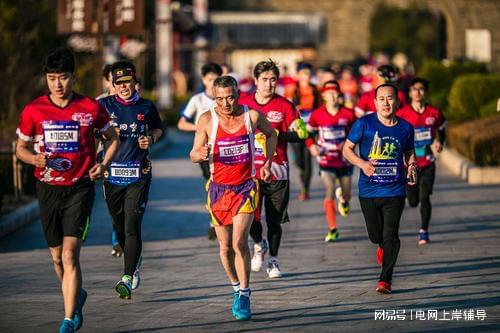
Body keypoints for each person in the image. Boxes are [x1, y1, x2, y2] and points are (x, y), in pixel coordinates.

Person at [16, 47, 119, 332]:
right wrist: (32, 158)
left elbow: (113, 138)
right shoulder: (33, 110)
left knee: (70, 255)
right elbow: (20, 148)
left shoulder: (90, 107)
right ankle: (76, 294)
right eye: (51, 78)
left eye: (62, 77)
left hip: (79, 188)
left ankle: (68, 318)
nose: (57, 84)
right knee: (56, 257)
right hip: (47, 188)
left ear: (73, 77)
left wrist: (102, 163)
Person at [190, 76, 277, 320]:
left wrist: (267, 162)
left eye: (230, 97)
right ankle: (236, 287)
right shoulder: (207, 119)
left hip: (245, 188)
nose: (226, 103)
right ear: (214, 98)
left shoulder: (252, 116)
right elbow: (193, 153)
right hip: (218, 190)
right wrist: (200, 154)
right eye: (220, 99)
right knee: (225, 246)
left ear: (237, 94)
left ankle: (245, 294)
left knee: (239, 242)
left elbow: (272, 135)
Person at [343, 83, 417, 294]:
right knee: (376, 236)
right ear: (374, 102)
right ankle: (381, 247)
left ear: (397, 101)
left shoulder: (405, 128)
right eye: (381, 99)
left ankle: (385, 279)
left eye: (390, 98)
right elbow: (346, 149)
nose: (386, 102)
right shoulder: (364, 124)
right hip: (369, 190)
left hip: (395, 190)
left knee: (391, 233)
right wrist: (362, 164)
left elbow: (409, 152)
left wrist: (412, 165)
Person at [99, 61, 163, 300]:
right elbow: (91, 131)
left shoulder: (146, 106)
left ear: (135, 83)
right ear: (113, 85)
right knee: (118, 225)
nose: (124, 87)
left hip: (139, 174)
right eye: (119, 83)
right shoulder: (103, 106)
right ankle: (134, 259)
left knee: (131, 224)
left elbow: (157, 129)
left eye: (128, 82)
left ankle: (127, 276)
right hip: (111, 175)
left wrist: (150, 139)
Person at [239, 60, 307, 278]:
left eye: (273, 80)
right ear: (256, 81)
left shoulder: (285, 106)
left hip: (278, 169)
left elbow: (301, 134)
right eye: (265, 80)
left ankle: (274, 261)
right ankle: (259, 243)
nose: (269, 84)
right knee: (250, 216)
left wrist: (277, 134)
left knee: (274, 219)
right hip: (249, 170)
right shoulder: (243, 103)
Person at [396, 78, 446, 245]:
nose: (418, 92)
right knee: (413, 201)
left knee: (425, 197)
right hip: (409, 165)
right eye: (414, 89)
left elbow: (442, 130)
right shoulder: (402, 114)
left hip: (428, 162)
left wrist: (440, 143)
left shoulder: (434, 112)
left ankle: (424, 230)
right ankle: (412, 196)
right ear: (409, 94)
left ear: (425, 92)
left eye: (421, 89)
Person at [177, 62, 223, 240]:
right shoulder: (197, 100)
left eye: (216, 79)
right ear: (203, 80)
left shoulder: (228, 98)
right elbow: (181, 123)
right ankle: (215, 220)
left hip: (227, 149)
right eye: (210, 79)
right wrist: (200, 128)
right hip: (206, 151)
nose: (212, 83)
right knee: (213, 184)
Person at [306, 81, 356, 242]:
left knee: (348, 193)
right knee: (329, 190)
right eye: (330, 94)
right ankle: (332, 229)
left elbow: (358, 133)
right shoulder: (317, 114)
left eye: (336, 94)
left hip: (344, 159)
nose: (333, 97)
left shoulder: (348, 114)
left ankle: (344, 198)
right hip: (325, 159)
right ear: (324, 96)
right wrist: (311, 146)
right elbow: (307, 133)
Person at [96, 64, 122, 257]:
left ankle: (122, 237)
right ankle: (117, 236)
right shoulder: (98, 104)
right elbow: (89, 132)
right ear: (107, 81)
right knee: (113, 201)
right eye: (114, 79)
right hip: (106, 160)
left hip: (130, 161)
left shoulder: (133, 102)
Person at [285, 62, 322, 200]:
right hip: (296, 127)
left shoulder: (316, 89)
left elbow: (320, 108)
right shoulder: (291, 89)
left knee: (307, 159)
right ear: (298, 74)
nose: (306, 76)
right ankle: (302, 176)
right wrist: (296, 107)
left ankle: (305, 188)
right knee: (299, 160)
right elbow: (286, 106)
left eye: (308, 73)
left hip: (310, 128)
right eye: (303, 73)